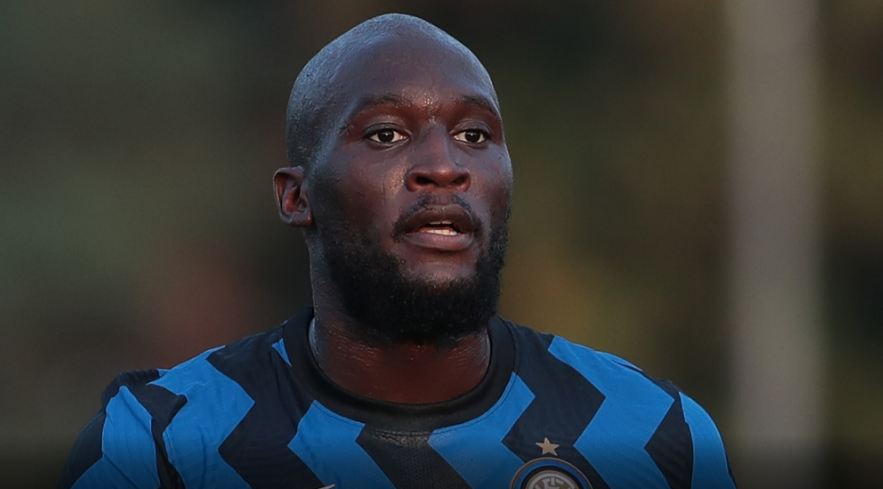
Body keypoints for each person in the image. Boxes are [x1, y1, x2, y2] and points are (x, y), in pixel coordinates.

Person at [59, 13, 736, 489]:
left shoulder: (655, 434)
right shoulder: (163, 443)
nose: (443, 166)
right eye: (385, 135)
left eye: (474, 136)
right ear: (296, 196)